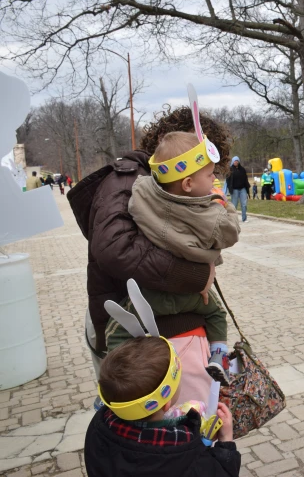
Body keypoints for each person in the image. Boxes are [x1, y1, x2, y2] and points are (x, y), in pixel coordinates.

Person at [68, 106, 233, 404]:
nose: (212, 177)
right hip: (122, 323)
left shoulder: (159, 184)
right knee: (131, 413)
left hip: (154, 324)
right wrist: (195, 275)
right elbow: (114, 249)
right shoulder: (129, 179)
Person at [128, 131, 241, 384]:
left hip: (151, 294)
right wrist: (223, 202)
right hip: (192, 294)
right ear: (188, 184)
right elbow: (231, 233)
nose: (214, 179)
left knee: (121, 324)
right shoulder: (211, 218)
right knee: (216, 314)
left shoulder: (141, 193)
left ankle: (114, 370)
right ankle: (219, 357)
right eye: (210, 175)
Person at [85, 336, 240, 476]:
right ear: (166, 404)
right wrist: (225, 442)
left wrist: (201, 442)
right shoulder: (184, 453)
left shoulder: (98, 427)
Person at [225, 156, 250, 222]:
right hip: (234, 189)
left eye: (237, 161)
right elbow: (228, 180)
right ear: (233, 162)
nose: (236, 162)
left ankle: (244, 218)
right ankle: (234, 219)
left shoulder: (242, 169)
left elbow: (246, 179)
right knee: (234, 204)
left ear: (238, 161)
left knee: (244, 204)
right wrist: (229, 188)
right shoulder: (230, 170)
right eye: (235, 161)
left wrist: (247, 187)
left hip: (242, 189)